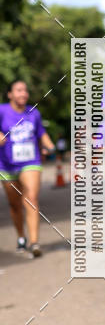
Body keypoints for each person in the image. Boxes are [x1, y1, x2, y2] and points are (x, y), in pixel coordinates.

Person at [0, 80, 55, 258]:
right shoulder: (2, 111)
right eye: (18, 90)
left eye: (25, 90)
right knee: (15, 205)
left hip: (31, 161)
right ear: (9, 94)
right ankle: (21, 237)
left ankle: (34, 242)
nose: (23, 93)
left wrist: (50, 146)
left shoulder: (34, 113)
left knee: (30, 197)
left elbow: (41, 134)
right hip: (7, 164)